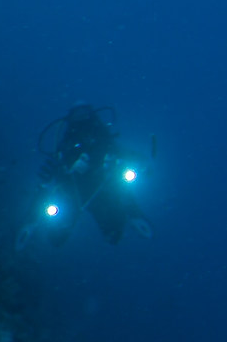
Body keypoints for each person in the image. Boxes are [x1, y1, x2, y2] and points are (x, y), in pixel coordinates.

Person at [19, 103, 152, 247]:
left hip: (102, 191)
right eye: (77, 114)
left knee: (114, 233)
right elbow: (52, 174)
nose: (81, 118)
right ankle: (34, 224)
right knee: (56, 237)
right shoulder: (67, 145)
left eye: (84, 113)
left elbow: (128, 156)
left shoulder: (104, 140)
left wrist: (141, 165)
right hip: (73, 193)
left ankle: (134, 215)